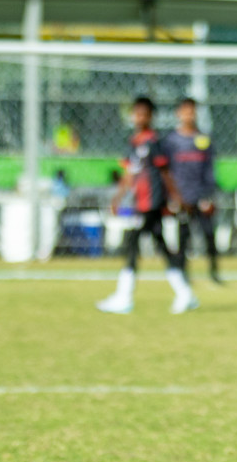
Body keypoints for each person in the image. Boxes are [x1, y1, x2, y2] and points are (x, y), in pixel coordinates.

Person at [96, 96, 196, 314]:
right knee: (160, 245)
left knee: (132, 243)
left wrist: (176, 197)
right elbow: (129, 174)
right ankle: (184, 293)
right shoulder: (133, 142)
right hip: (139, 201)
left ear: (151, 117)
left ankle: (124, 297)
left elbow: (165, 172)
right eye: (136, 113)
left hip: (150, 201)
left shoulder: (153, 142)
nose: (139, 117)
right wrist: (118, 197)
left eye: (144, 113)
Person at [163, 97, 223, 284]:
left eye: (193, 111)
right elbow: (166, 170)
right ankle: (182, 273)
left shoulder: (203, 139)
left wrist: (208, 195)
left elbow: (209, 169)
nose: (189, 115)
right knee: (183, 237)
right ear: (178, 113)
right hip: (181, 197)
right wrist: (172, 196)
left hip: (200, 195)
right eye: (186, 111)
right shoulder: (171, 141)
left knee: (208, 234)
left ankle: (213, 272)